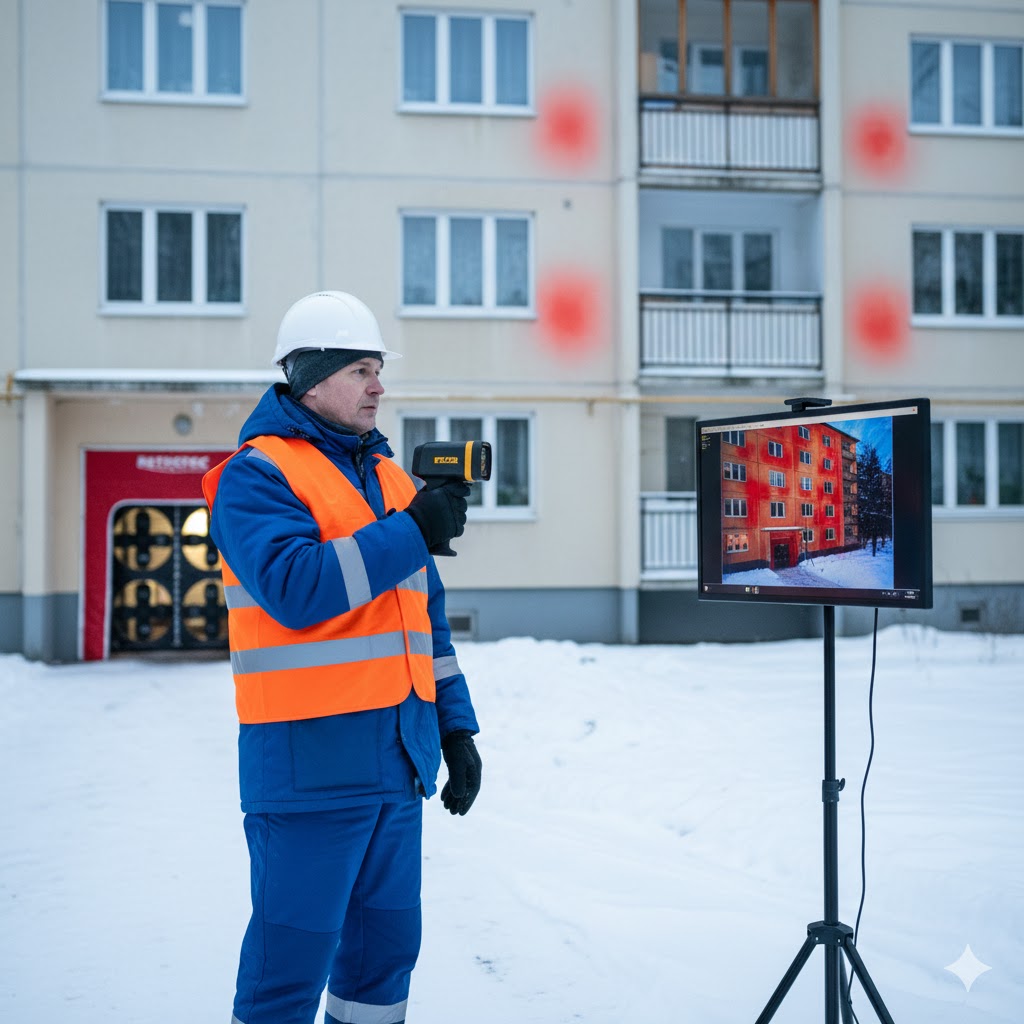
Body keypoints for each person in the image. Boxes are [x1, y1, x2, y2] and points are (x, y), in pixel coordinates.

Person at [203, 290, 482, 1024]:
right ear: (311, 377)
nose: (378, 386)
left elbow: (425, 618)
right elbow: (296, 590)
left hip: (398, 761)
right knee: (287, 972)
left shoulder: (390, 478)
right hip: (308, 773)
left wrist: (456, 728)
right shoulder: (256, 476)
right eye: (361, 369)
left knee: (383, 960)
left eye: (378, 369)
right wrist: (412, 529)